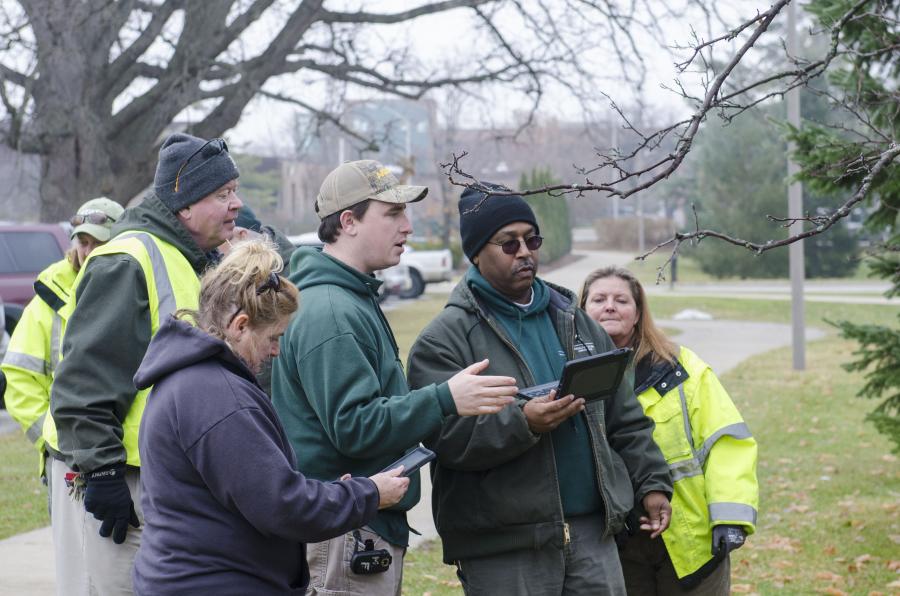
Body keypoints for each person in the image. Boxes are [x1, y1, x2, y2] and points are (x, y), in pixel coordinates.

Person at [406, 185, 672, 595]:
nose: (524, 252)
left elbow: (624, 418)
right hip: (505, 549)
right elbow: (445, 439)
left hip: (592, 535)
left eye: (532, 240)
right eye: (508, 243)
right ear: (476, 252)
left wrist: (652, 483)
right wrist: (524, 423)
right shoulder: (445, 340)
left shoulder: (576, 322)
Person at [271, 160, 519, 596]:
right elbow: (355, 427)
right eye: (392, 214)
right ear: (348, 222)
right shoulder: (331, 311)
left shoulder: (350, 296)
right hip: (346, 531)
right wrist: (445, 399)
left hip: (358, 527)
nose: (407, 227)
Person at [132, 240, 409, 594]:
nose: (277, 350)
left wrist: (333, 493)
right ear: (241, 325)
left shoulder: (191, 379)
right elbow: (282, 505)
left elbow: (256, 488)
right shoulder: (220, 397)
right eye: (274, 337)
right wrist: (368, 493)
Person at [50, 133, 242, 595]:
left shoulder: (191, 257)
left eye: (234, 191)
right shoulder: (126, 260)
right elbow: (84, 381)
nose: (236, 205)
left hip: (161, 476)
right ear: (184, 203)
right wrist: (102, 472)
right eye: (223, 194)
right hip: (118, 478)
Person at [579, 266, 758, 594]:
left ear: (638, 313)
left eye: (621, 300)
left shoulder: (682, 369)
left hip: (689, 539)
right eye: (598, 299)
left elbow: (725, 441)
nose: (609, 306)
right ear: (582, 311)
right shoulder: (570, 377)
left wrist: (730, 516)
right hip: (612, 546)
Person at [2, 197, 123, 596]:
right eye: (82, 241)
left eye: (98, 242)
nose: (88, 251)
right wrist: (55, 438)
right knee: (77, 577)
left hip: (121, 455)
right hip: (66, 459)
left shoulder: (126, 289)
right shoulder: (46, 302)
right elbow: (19, 379)